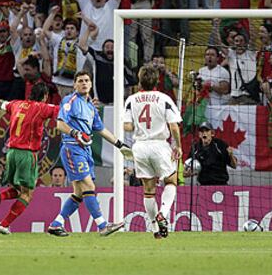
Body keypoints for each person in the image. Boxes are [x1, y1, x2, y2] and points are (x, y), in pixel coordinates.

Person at [48, 70, 131, 237]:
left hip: (85, 150)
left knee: (79, 193)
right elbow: (60, 124)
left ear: (91, 84)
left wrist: (119, 144)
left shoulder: (91, 107)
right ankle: (102, 225)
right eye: (80, 81)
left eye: (86, 80)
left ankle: (56, 224)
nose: (84, 83)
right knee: (89, 186)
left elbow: (101, 129)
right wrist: (75, 133)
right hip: (72, 148)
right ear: (75, 85)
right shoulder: (69, 101)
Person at [0, 83, 60, 235]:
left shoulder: (17, 104)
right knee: (27, 194)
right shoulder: (42, 107)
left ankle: (0, 196)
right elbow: (63, 111)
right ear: (45, 96)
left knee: (17, 189)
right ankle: (4, 225)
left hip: (11, 153)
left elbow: (1, 103)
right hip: (26, 154)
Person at [123, 65, 182, 239]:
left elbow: (126, 126)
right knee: (171, 181)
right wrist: (178, 145)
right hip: (159, 144)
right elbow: (173, 126)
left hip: (140, 146)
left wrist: (137, 126)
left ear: (140, 80)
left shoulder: (131, 100)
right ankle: (163, 212)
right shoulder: (164, 99)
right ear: (157, 80)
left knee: (148, 191)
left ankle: (156, 230)